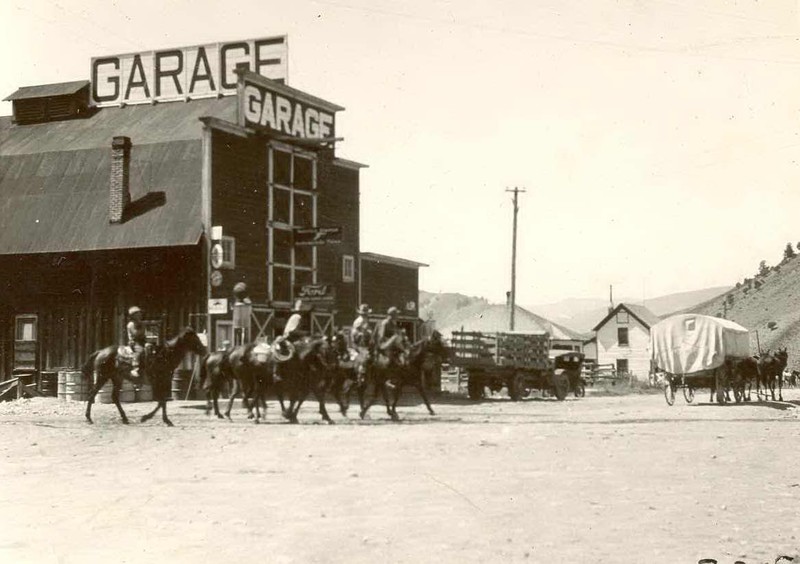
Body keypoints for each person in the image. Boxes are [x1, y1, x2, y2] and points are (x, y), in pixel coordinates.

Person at [126, 306, 146, 380]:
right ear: (133, 316)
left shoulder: (142, 323)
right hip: (134, 342)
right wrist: (141, 329)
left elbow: (143, 333)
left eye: (140, 313)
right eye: (137, 314)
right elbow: (135, 333)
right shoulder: (131, 325)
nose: (140, 315)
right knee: (140, 350)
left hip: (142, 341)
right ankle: (135, 368)